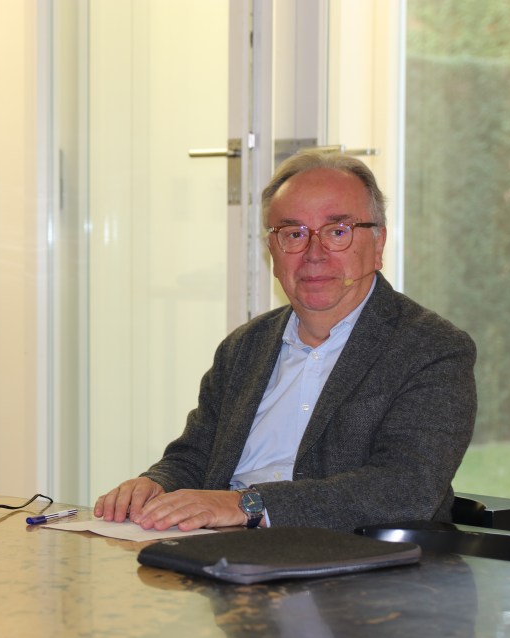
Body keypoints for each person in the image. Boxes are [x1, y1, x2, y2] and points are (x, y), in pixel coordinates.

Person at [94, 151, 478, 533]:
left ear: (378, 245)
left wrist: (249, 504)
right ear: (273, 253)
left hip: (348, 560)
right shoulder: (243, 348)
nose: (314, 254)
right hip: (218, 551)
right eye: (294, 234)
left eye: (337, 232)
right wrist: (155, 484)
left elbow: (405, 489)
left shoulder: (431, 349)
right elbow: (196, 456)